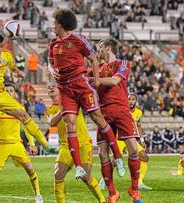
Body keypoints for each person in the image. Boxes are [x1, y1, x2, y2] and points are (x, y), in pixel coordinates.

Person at [48, 8, 124, 179]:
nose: (53, 26)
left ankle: (118, 156)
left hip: (80, 84)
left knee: (97, 118)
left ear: (62, 24)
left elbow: (93, 59)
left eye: (55, 23)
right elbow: (50, 63)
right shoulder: (53, 43)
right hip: (64, 88)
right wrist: (52, 71)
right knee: (69, 123)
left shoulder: (79, 39)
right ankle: (78, 167)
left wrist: (96, 80)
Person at [91, 38, 142, 203]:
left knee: (134, 149)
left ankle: (134, 190)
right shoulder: (97, 68)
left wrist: (96, 81)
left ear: (107, 47)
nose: (98, 52)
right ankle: (113, 193)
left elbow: (114, 81)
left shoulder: (123, 63)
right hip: (103, 115)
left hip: (122, 110)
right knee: (102, 153)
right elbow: (80, 78)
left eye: (99, 49)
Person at [0, 82, 43, 203]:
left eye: (11, 91)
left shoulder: (19, 108)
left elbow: (26, 127)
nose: (9, 93)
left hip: (16, 144)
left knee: (30, 169)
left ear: (14, 93)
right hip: (1, 145)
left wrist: (32, 144)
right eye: (7, 90)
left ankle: (38, 195)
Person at [45, 82, 105, 203]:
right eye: (48, 87)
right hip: (66, 146)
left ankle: (102, 200)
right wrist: (63, 108)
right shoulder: (49, 110)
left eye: (53, 86)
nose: (51, 88)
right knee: (58, 175)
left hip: (83, 143)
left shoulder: (73, 100)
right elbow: (52, 122)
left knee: (85, 176)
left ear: (59, 89)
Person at [99, 93, 152, 190]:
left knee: (144, 157)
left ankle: (139, 182)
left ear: (136, 101)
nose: (131, 101)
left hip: (130, 138)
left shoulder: (139, 112)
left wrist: (141, 140)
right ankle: (103, 180)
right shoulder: (121, 110)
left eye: (133, 99)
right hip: (119, 138)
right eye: (129, 99)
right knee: (115, 161)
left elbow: (138, 125)